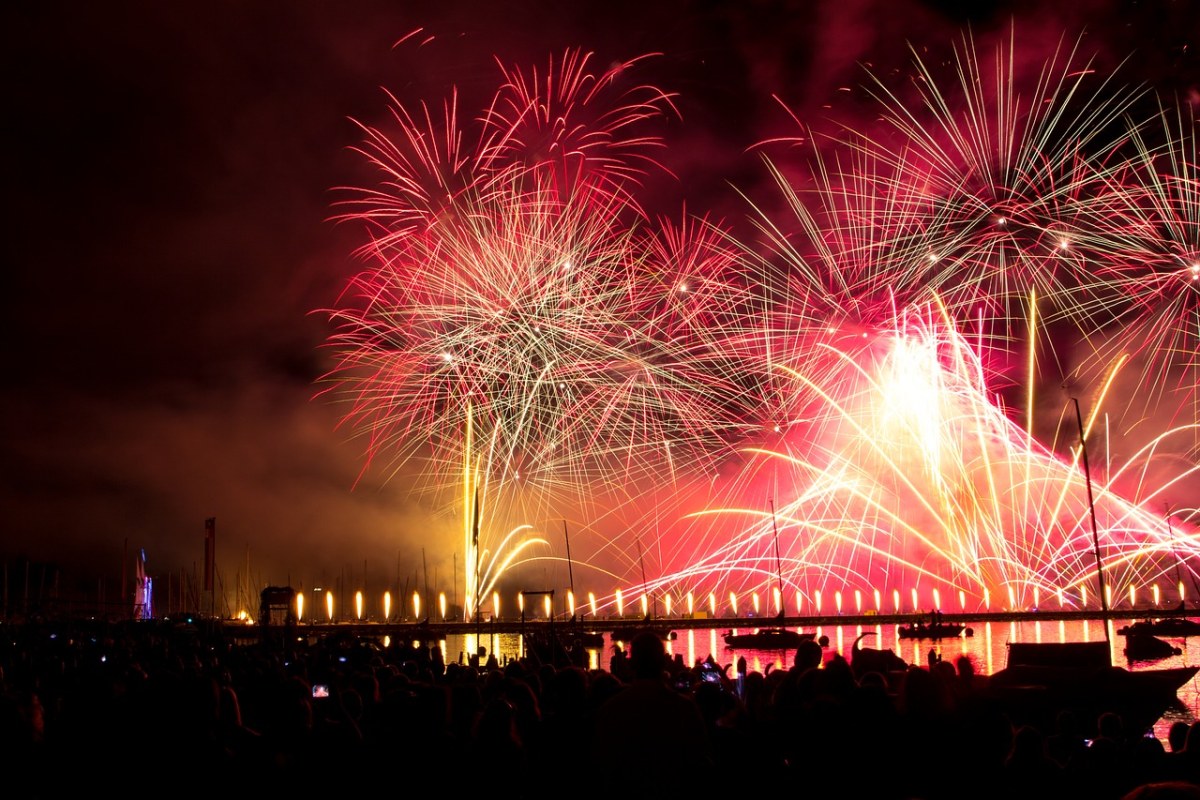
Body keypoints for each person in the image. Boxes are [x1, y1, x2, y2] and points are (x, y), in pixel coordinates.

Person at [590, 631, 713, 797]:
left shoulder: (610, 710)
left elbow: (601, 766)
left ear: (631, 663)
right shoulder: (684, 709)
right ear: (664, 662)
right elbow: (700, 765)